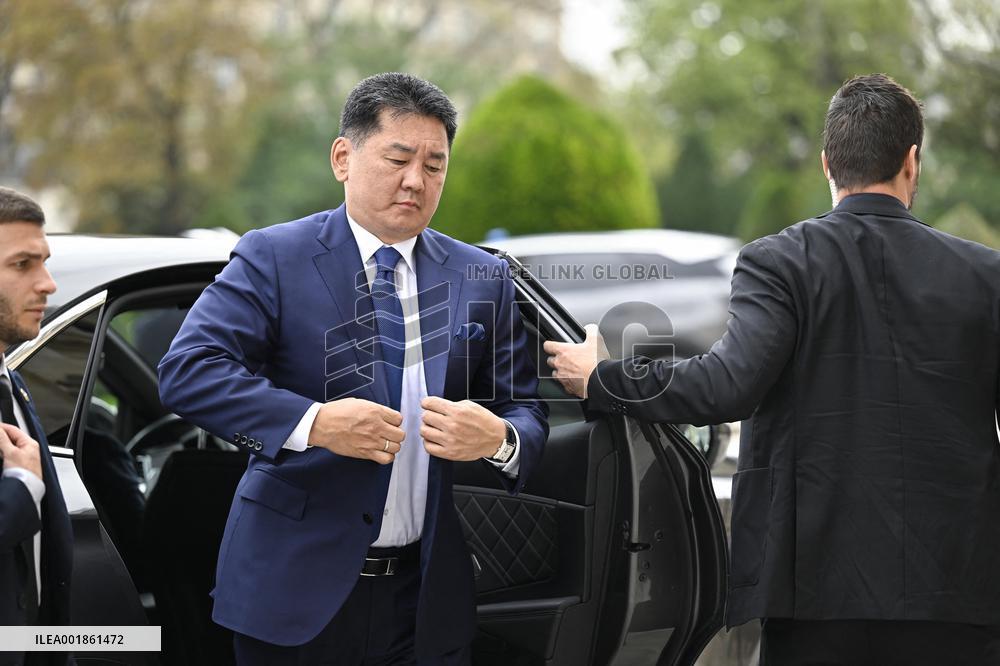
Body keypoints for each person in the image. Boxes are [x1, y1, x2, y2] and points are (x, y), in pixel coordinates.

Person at [545, 73, 1000, 665]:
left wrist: (605, 376)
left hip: (813, 587)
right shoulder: (986, 275)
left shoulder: (779, 261)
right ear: (912, 162)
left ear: (827, 163)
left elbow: (727, 384)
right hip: (957, 589)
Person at [158, 72, 548, 665]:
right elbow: (189, 370)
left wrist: (500, 439)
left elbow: (526, 407)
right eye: (398, 158)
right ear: (344, 157)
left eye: (435, 165)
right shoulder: (275, 256)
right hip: (294, 594)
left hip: (426, 600)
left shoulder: (482, 277)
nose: (416, 180)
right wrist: (314, 423)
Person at [0, 186, 73, 666]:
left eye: (44, 262)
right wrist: (22, 488)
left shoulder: (14, 382)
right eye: (23, 265)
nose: (47, 283)